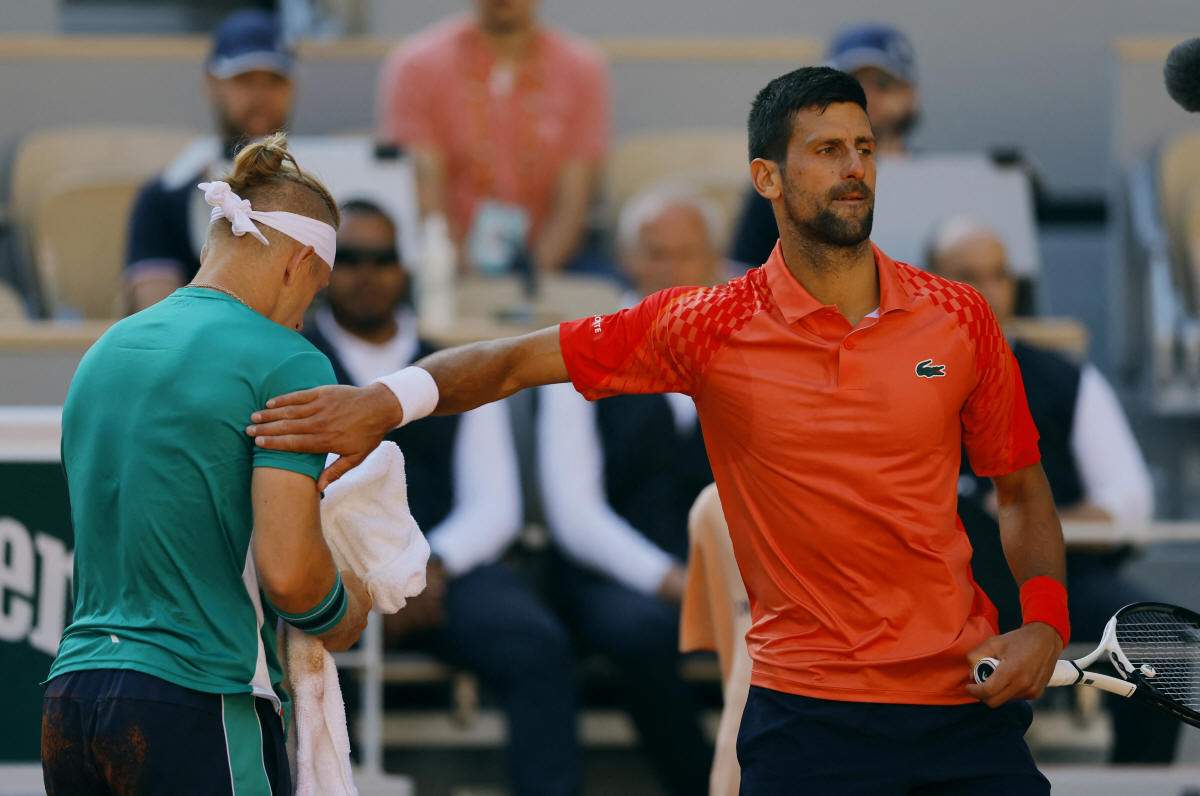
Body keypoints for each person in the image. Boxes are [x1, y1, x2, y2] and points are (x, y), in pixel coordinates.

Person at [247, 67, 1068, 794]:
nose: (854, 167)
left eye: (863, 148)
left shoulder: (960, 316)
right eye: (826, 150)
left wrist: (1044, 622)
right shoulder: (707, 324)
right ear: (767, 177)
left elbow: (1021, 490)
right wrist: (382, 403)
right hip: (810, 714)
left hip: (961, 702)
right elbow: (513, 361)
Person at [42, 134, 370, 794]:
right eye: (315, 292)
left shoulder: (104, 352)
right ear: (299, 262)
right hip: (198, 700)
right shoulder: (288, 360)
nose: (304, 320)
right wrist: (349, 608)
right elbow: (290, 577)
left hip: (70, 703)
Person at [304, 199, 582, 796]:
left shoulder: (449, 365)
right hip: (331, 573)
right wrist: (366, 582)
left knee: (538, 645)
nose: (367, 273)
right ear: (325, 268)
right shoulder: (295, 358)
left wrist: (424, 570)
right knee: (301, 661)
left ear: (404, 267)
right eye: (350, 258)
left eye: (382, 258)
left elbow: (494, 504)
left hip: (442, 572)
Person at [926, 216, 1177, 765]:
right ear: (932, 284)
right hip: (938, 588)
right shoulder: (902, 377)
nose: (989, 291)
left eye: (999, 275)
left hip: (1058, 577)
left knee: (1158, 645)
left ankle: (1139, 782)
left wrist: (1029, 521)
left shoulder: (1065, 380)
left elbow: (1129, 502)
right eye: (968, 275)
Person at [536, 184, 725, 796]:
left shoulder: (749, 349)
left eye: (686, 253)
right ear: (625, 259)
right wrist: (671, 581)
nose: (670, 269)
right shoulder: (583, 351)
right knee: (641, 632)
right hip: (609, 575)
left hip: (725, 569)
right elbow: (575, 513)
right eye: (655, 252)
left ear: (714, 260)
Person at [376, 0, 610, 275]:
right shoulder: (418, 65)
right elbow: (426, 196)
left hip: (553, 264)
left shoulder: (581, 68)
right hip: (443, 263)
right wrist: (466, 274)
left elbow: (574, 202)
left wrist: (534, 276)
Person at [125, 8, 296, 311]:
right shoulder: (166, 196)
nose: (261, 95)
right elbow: (158, 317)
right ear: (212, 84)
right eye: (244, 80)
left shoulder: (323, 188)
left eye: (274, 80)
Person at [731, 22, 920, 268]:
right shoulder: (783, 179)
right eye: (851, 83)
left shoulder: (937, 181)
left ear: (910, 95)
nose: (867, 95)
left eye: (882, 83)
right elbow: (742, 270)